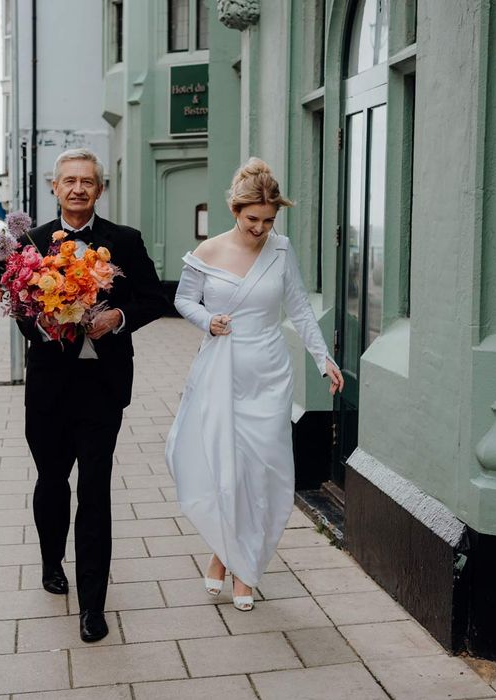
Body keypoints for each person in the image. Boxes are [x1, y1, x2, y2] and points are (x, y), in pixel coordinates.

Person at [165, 158, 344, 611]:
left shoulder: (280, 250)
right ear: (234, 210)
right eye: (252, 220)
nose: (260, 229)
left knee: (263, 473)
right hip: (222, 369)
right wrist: (210, 320)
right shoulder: (207, 252)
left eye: (268, 221)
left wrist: (323, 358)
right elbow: (183, 299)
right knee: (228, 469)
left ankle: (226, 557)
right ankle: (241, 569)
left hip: (268, 371)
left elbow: (300, 307)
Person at [15, 148, 169, 642]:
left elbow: (152, 299)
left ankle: (93, 607)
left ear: (100, 190)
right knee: (52, 480)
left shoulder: (124, 240)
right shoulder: (31, 243)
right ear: (54, 188)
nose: (78, 188)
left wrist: (117, 319)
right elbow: (17, 305)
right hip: (48, 388)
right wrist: (39, 321)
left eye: (88, 181)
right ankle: (50, 560)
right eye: (69, 181)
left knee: (96, 492)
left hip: (101, 388)